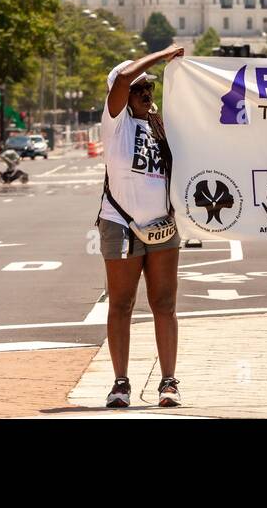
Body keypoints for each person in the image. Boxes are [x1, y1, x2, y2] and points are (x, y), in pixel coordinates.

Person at [97, 42, 185, 409]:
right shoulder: (115, 122)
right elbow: (123, 77)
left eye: (150, 89)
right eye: (140, 89)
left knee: (164, 303)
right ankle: (121, 383)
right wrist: (163, 54)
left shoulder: (157, 123)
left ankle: (168, 382)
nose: (146, 93)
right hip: (121, 223)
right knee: (121, 302)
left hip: (162, 223)